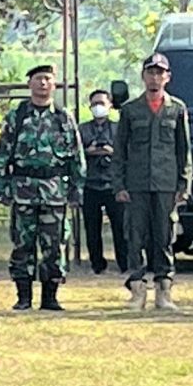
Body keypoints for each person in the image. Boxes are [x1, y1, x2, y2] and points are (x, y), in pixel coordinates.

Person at [0, 62, 82, 310]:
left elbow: (76, 157)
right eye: (38, 79)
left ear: (54, 85)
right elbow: (2, 156)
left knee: (54, 246)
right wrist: (2, 189)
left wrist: (76, 190)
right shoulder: (17, 116)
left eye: (48, 79)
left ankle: (50, 298)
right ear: (29, 83)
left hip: (54, 192)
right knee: (23, 245)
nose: (43, 83)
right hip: (23, 191)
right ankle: (23, 297)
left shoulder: (63, 118)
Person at [115, 52, 192, 312]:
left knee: (164, 237)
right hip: (136, 184)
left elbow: (184, 151)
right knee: (135, 237)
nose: (155, 77)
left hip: (165, 184)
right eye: (150, 72)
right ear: (143, 76)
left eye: (160, 73)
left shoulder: (177, 109)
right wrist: (119, 185)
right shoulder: (130, 110)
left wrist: (184, 185)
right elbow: (120, 151)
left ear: (167, 77)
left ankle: (164, 292)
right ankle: (137, 290)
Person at [78, 81, 125, 275]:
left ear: (110, 105)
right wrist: (90, 151)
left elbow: (124, 152)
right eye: (95, 103)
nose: (99, 107)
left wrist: (109, 151)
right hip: (90, 184)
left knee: (120, 227)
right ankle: (97, 264)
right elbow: (77, 152)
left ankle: (124, 263)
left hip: (113, 184)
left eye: (102, 103)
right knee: (92, 227)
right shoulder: (82, 130)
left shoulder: (118, 128)